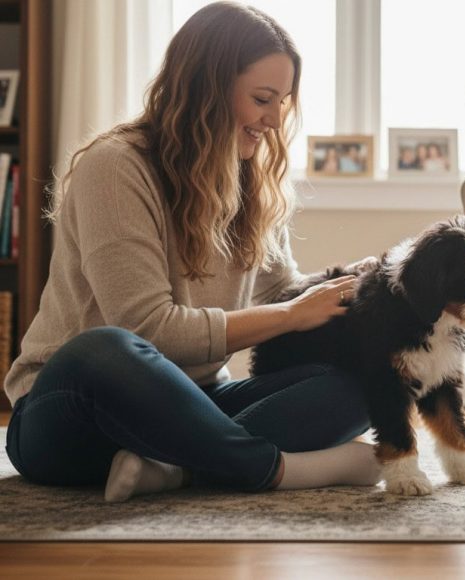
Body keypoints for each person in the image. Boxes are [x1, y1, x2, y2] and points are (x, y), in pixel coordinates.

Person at [2, 1, 381, 503]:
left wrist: (351, 281)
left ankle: (175, 468)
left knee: (365, 381)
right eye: (262, 98)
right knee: (105, 348)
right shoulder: (116, 167)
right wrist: (291, 314)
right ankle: (274, 469)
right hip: (74, 411)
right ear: (207, 87)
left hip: (195, 405)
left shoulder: (250, 179)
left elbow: (280, 292)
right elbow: (147, 328)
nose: (272, 119)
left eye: (282, 102)